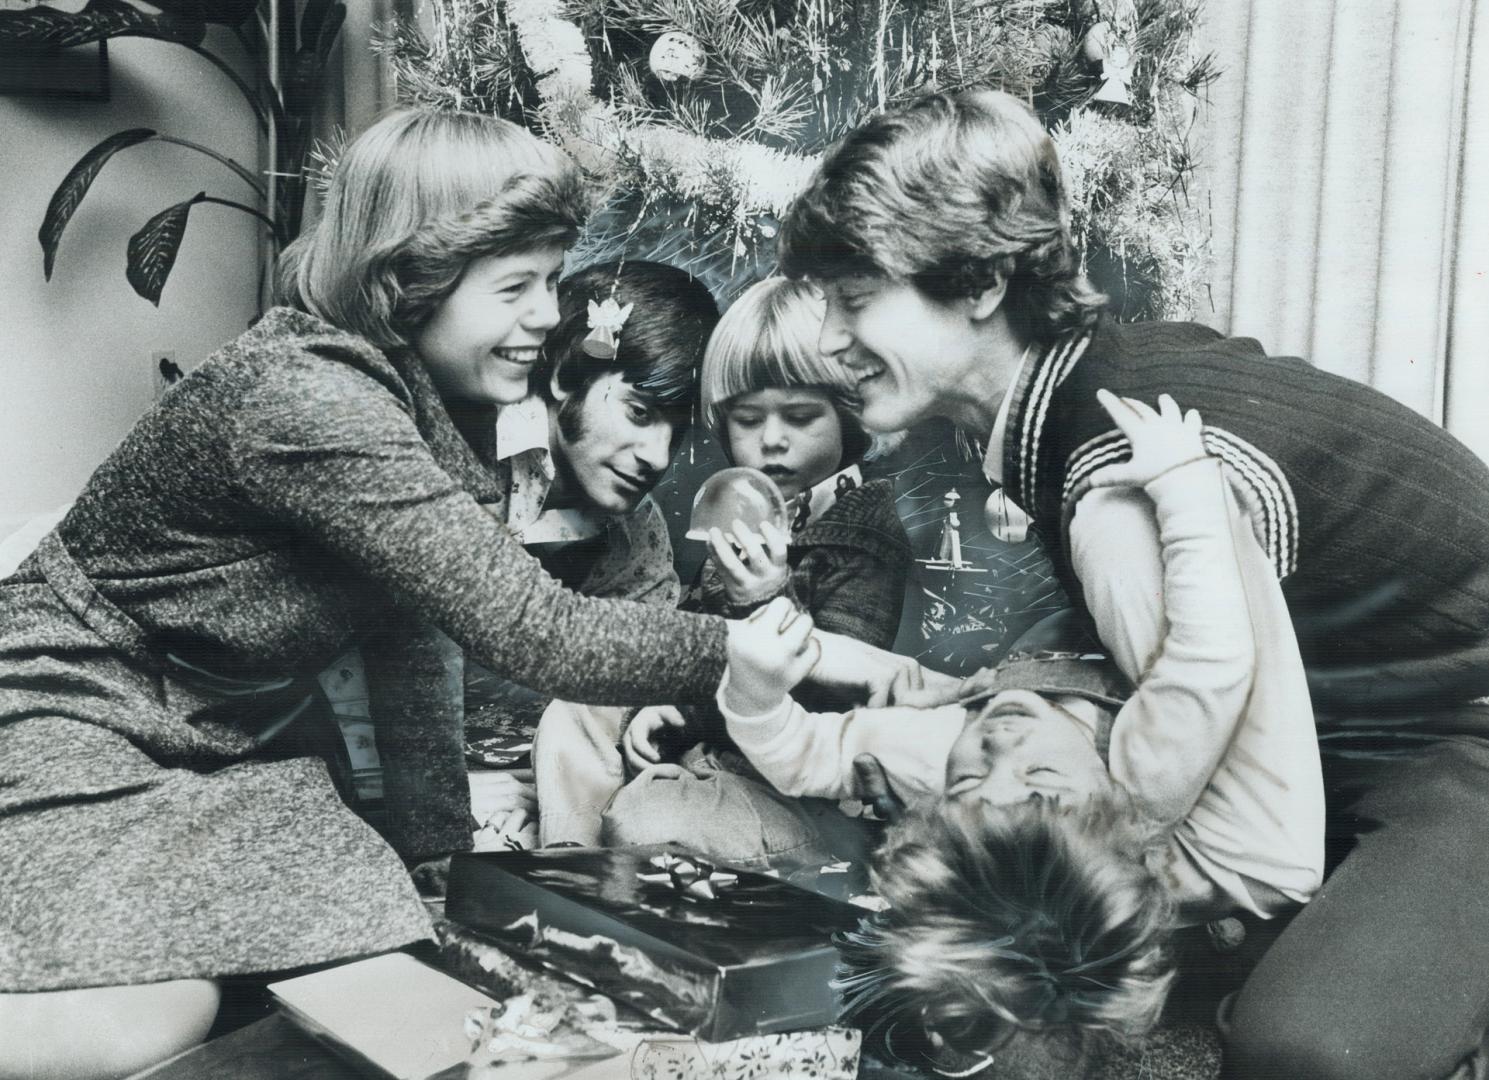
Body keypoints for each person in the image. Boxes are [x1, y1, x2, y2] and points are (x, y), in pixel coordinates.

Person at [0, 109, 818, 1080]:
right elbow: (533, 629)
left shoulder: (425, 400)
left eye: (551, 282)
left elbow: (410, 640)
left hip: (228, 736)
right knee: (158, 1022)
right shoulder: (309, 395)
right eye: (515, 287)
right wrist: (733, 652)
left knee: (376, 962)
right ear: (408, 282)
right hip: (74, 708)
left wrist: (434, 869)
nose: (546, 317)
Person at [776, 86, 1489, 1080]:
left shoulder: (1110, 486)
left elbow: (1259, 848)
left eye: (855, 300)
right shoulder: (1086, 389)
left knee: (1311, 1053)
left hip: (1460, 737)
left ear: (978, 282)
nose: (828, 342)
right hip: (1355, 723)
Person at [709, 390, 1323, 1072]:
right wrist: (1185, 486)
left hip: (1005, 656)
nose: (999, 747)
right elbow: (1212, 657)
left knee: (916, 686)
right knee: (1117, 528)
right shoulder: (1146, 774)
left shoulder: (944, 759)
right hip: (1111, 633)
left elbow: (802, 757)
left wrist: (755, 689)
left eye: (969, 782)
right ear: (1112, 807)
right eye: (1040, 782)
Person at [537, 275, 912, 848]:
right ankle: (566, 852)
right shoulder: (748, 508)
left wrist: (765, 600)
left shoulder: (862, 530)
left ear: (850, 417)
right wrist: (655, 695)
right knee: (578, 705)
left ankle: (611, 846)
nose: (772, 440)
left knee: (653, 818)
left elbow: (833, 695)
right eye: (748, 418)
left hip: (785, 783)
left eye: (800, 416)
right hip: (708, 746)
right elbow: (687, 634)